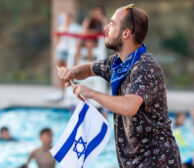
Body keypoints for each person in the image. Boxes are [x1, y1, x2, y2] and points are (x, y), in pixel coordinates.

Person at [58, 4, 182, 167]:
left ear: (126, 33)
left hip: (156, 160)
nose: (106, 28)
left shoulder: (144, 66)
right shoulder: (118, 63)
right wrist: (72, 72)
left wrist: (92, 93)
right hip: (134, 161)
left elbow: (129, 106)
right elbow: (89, 68)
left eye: (112, 23)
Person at [56, 12, 81, 99]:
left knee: (68, 72)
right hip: (61, 50)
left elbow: (78, 41)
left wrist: (77, 54)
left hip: (71, 52)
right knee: (60, 72)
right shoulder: (61, 28)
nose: (66, 20)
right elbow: (58, 41)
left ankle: (69, 93)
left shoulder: (76, 28)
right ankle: (62, 93)